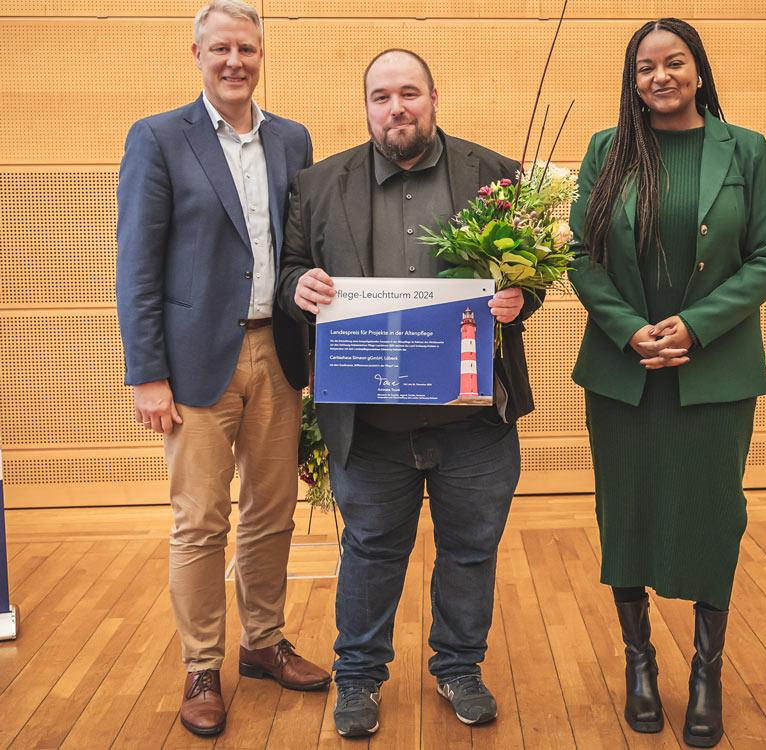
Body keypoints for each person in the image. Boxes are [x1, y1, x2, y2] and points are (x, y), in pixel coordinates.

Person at [277, 49, 539, 738]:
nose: (397, 107)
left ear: (434, 97)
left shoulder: (497, 174)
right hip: (370, 424)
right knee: (369, 550)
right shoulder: (318, 183)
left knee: (471, 550)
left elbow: (532, 276)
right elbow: (292, 268)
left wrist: (520, 298)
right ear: (366, 107)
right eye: (382, 96)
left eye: (410, 93)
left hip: (474, 421)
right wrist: (296, 288)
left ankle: (459, 666)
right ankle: (359, 679)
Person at [568, 18, 766, 748]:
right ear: (631, 80)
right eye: (644, 68)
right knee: (624, 513)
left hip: (713, 373)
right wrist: (629, 326)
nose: (659, 77)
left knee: (713, 516)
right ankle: (638, 663)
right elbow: (580, 255)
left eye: (674, 63)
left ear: (698, 71)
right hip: (622, 373)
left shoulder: (745, 149)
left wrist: (695, 325)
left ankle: (705, 673)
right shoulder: (608, 149)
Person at [115, 0, 331, 737]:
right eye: (219, 49)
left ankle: (263, 643)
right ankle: (202, 665)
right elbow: (136, 266)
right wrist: (147, 372)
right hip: (194, 361)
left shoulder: (292, 138)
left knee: (271, 513)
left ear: (260, 53)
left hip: (279, 352)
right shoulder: (158, 138)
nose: (233, 60)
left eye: (246, 47)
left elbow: (302, 249)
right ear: (197, 55)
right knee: (200, 521)